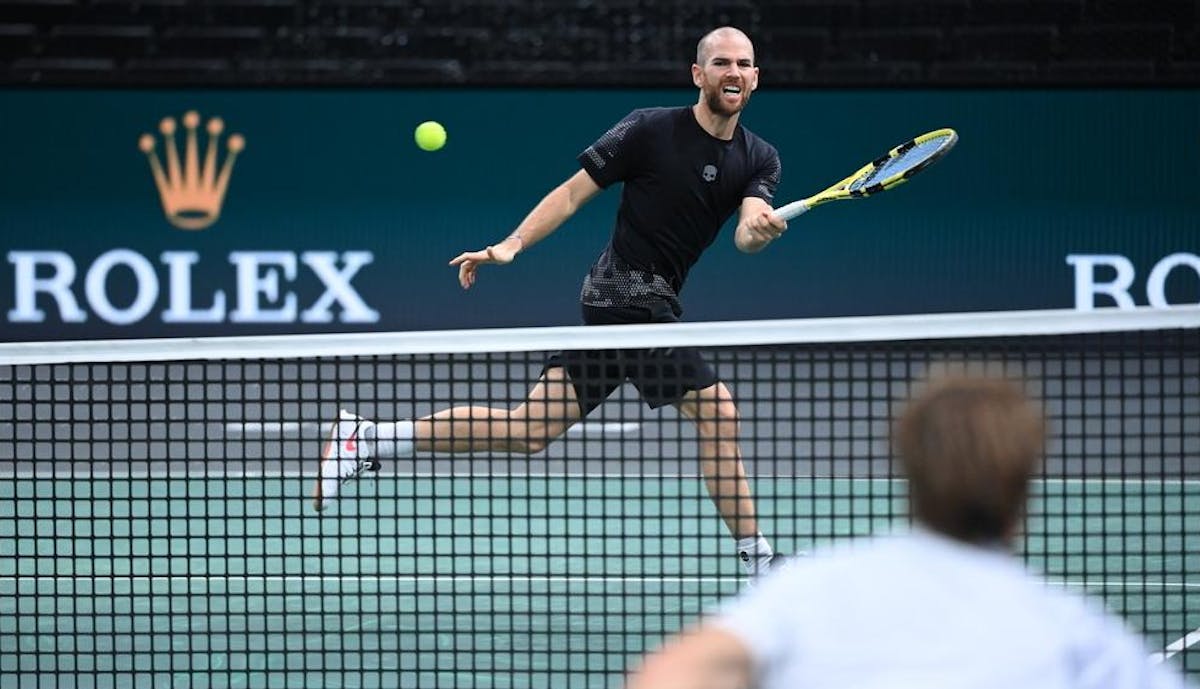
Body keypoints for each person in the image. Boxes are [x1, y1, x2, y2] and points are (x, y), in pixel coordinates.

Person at [312, 26, 789, 577]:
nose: (734, 72)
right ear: (697, 74)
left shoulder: (760, 158)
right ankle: (761, 564)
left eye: (744, 64)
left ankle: (369, 438)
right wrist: (512, 244)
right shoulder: (649, 129)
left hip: (644, 307)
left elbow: (748, 230)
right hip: (624, 299)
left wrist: (760, 229)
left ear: (755, 77)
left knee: (529, 430)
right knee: (718, 410)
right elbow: (570, 193)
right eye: (722, 62)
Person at [625, 373, 1193, 689]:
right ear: (1024, 494)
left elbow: (667, 677)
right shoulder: (1076, 634)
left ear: (908, 470)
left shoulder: (814, 586)